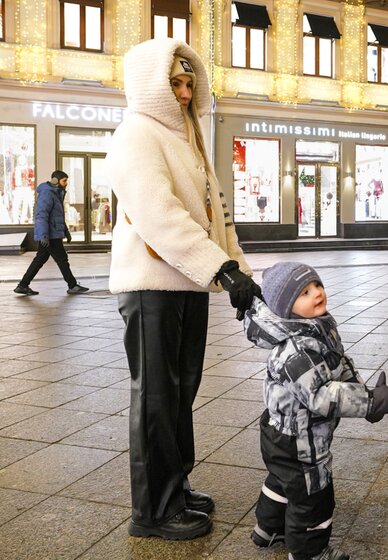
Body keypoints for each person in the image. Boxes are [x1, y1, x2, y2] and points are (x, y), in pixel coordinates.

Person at [105, 38, 260, 541]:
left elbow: (216, 216)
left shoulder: (189, 137)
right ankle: (152, 510)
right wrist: (221, 268)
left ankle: (176, 484)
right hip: (151, 286)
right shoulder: (136, 134)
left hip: (186, 283)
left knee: (179, 393)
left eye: (190, 82)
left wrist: (238, 269)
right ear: (152, 85)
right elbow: (159, 216)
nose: (186, 92)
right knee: (155, 397)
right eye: (174, 83)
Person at [244, 262, 388, 560]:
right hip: (299, 440)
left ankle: (268, 529)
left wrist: (362, 391)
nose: (317, 294)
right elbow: (321, 396)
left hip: (282, 431)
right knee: (313, 497)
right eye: (304, 292)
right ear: (286, 307)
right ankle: (310, 553)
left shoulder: (317, 328)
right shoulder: (296, 350)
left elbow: (338, 365)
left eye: (317, 285)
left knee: (283, 481)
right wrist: (374, 400)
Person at [13, 170, 88, 296]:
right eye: (64, 181)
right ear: (55, 180)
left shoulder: (55, 193)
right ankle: (72, 285)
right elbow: (42, 215)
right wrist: (43, 236)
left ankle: (23, 285)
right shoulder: (47, 193)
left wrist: (66, 231)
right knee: (62, 259)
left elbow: (57, 216)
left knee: (40, 259)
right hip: (50, 235)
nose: (66, 183)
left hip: (52, 234)